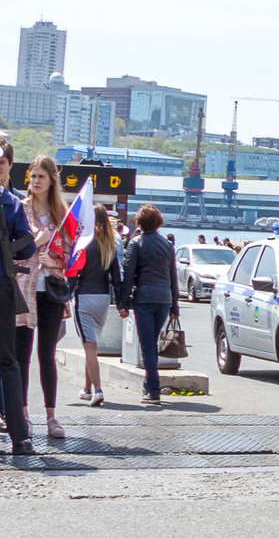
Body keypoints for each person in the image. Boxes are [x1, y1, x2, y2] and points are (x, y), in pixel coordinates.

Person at [21, 157, 73, 439]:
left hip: (52, 288)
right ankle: (24, 416)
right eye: (33, 176)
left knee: (47, 354)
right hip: (24, 288)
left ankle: (52, 416)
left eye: (41, 176)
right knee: (22, 354)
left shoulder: (61, 214)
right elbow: (15, 247)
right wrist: (39, 240)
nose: (36, 181)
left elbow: (72, 255)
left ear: (52, 179)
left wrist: (54, 264)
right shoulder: (21, 208)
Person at [0, 138, 33, 456]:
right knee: (8, 361)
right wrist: (9, 249)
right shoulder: (12, 203)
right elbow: (29, 245)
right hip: (2, 286)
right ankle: (19, 437)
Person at [120, 205, 178, 408]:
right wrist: (175, 307)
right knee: (151, 343)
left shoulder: (136, 243)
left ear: (139, 222)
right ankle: (148, 385)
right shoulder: (167, 244)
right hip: (164, 299)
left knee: (147, 346)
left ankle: (153, 390)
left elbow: (128, 274)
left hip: (144, 298)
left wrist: (123, 301)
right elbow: (173, 277)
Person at [73, 196, 127, 408]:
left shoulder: (84, 243)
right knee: (91, 344)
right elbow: (117, 277)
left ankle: (98, 390)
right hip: (103, 299)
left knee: (89, 348)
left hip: (84, 297)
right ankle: (86, 388)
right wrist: (122, 303)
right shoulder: (110, 245)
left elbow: (74, 274)